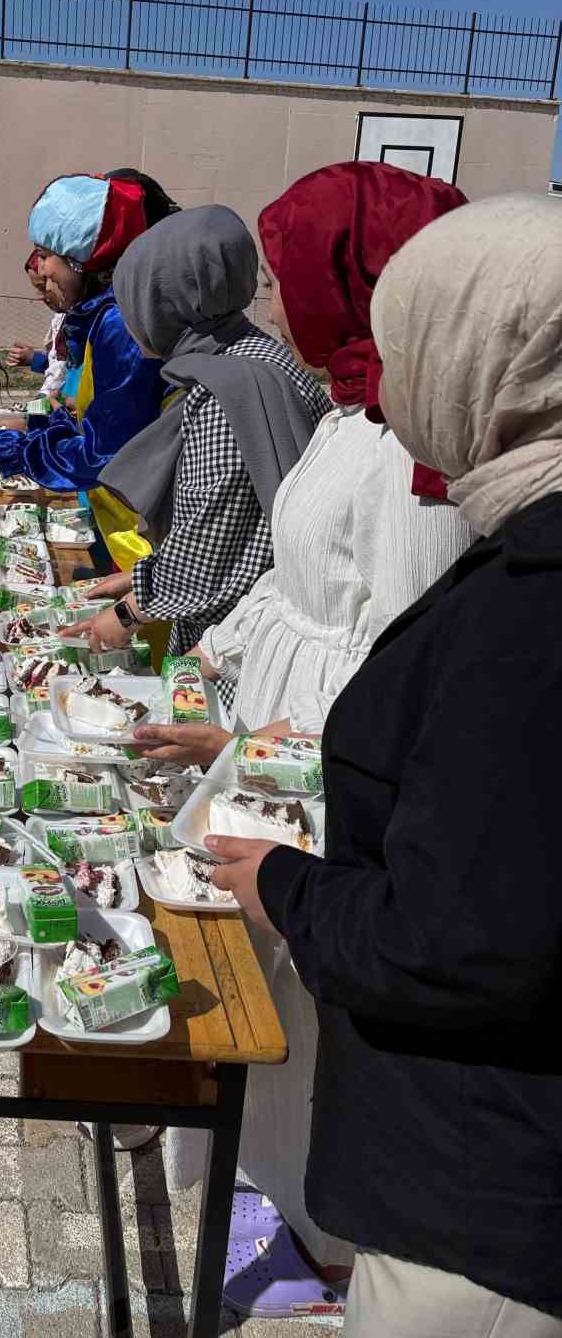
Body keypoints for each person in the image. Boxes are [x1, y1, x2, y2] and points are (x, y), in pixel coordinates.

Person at [213, 193, 562, 1338]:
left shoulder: (530, 608)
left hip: (485, 1204)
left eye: (413, 340)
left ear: (485, 362)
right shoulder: (518, 541)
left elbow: (451, 934)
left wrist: (283, 884)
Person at [126, 163, 475, 1301]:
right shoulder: (349, 411)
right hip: (269, 730)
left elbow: (393, 657)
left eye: (288, 275)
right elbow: (288, 574)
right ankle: (267, 1187)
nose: (269, 298)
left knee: (299, 993)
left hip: (320, 758)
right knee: (254, 979)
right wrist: (215, 677)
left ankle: (321, 1237)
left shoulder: (417, 454)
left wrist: (262, 749)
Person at [66, 206, 329, 668]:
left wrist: (127, 613)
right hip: (241, 624)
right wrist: (141, 576)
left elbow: (210, 541)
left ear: (166, 303)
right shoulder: (254, 357)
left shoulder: (227, 390)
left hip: (233, 644)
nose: (130, 325)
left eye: (135, 303)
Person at [0, 169, 179, 570]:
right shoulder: (107, 316)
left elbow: (104, 454)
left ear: (80, 259)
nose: (40, 271)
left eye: (46, 255)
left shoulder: (119, 323)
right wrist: (30, 428)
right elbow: (104, 421)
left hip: (138, 538)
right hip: (121, 520)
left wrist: (8, 450)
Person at [7, 251, 67, 404]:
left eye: (43, 287)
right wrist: (34, 358)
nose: (40, 295)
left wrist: (43, 403)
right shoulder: (60, 318)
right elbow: (57, 365)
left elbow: (66, 372)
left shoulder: (81, 321)